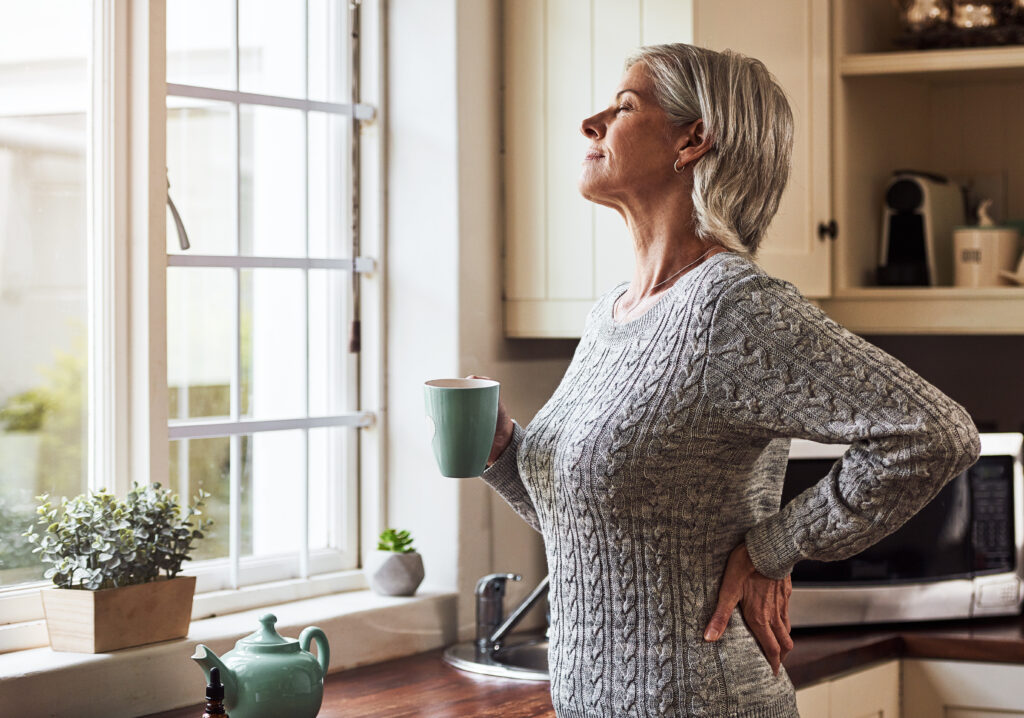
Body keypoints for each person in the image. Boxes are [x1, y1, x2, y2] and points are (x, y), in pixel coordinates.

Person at [474, 43, 981, 718]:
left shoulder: (731, 306)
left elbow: (936, 433)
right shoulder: (610, 316)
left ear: (695, 139)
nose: (590, 123)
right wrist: (507, 457)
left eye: (623, 107)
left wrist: (773, 548)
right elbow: (608, 535)